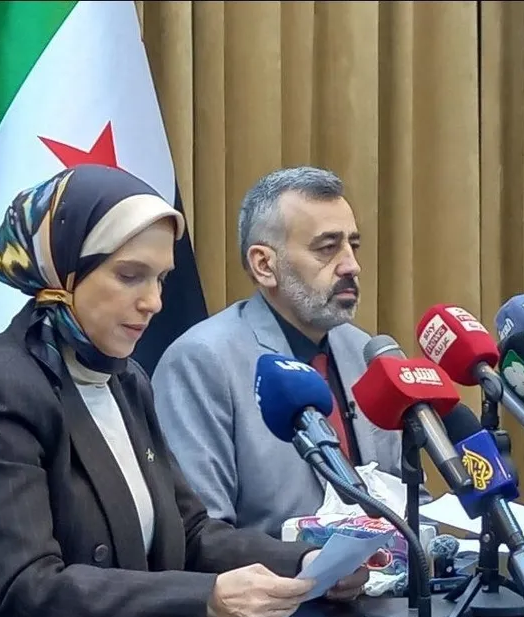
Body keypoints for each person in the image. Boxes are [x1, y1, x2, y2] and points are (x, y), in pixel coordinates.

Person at [0, 164, 367, 617]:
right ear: (64, 272)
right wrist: (205, 598)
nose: (154, 302)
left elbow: (190, 533)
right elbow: (29, 588)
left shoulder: (127, 380)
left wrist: (305, 562)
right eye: (130, 276)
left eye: (161, 279)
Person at [153, 166, 425, 539]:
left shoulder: (364, 350)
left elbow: (407, 499)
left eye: (353, 245)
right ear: (265, 265)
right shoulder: (202, 361)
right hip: (276, 576)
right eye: (327, 248)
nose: (352, 265)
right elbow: (202, 534)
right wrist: (307, 561)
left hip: (388, 574)